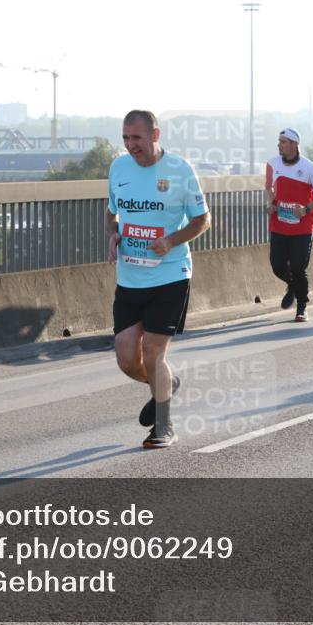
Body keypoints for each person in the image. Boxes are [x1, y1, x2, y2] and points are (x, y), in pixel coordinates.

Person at [106, 110, 211, 448]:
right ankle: (165, 385)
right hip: (130, 277)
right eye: (125, 138)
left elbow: (202, 220)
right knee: (126, 359)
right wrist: (113, 234)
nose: (130, 145)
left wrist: (171, 241)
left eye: (136, 137)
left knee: (153, 353)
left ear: (155, 135)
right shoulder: (118, 168)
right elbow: (111, 212)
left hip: (170, 275)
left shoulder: (180, 170)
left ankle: (163, 425)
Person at [265, 127, 313, 322]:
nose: (279, 145)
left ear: (295, 144)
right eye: (279, 141)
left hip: (302, 225)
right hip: (279, 224)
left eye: (283, 142)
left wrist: (306, 209)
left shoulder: (310, 167)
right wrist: (270, 203)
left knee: (298, 267)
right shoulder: (271, 164)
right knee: (277, 266)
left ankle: (302, 306)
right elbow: (269, 188)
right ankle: (293, 285)